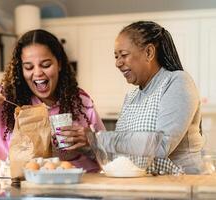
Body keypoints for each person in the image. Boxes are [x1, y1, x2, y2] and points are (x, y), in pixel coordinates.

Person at [0, 29, 105, 174]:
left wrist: (91, 141)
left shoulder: (80, 100)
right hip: (18, 187)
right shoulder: (4, 98)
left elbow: (112, 155)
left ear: (59, 64)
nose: (38, 73)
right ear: (20, 69)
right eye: (29, 67)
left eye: (46, 64)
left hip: (76, 187)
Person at [59, 21, 204, 174]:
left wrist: (97, 138)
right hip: (146, 187)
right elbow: (122, 154)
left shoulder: (177, 81)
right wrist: (87, 145)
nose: (117, 63)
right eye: (116, 56)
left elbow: (162, 145)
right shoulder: (132, 96)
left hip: (181, 186)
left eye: (123, 55)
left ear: (149, 52)